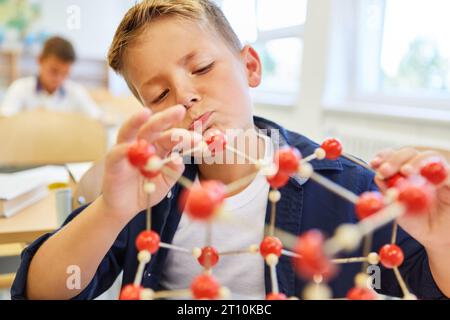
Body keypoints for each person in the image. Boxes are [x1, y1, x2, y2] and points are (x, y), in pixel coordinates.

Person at [11, 0, 450, 300]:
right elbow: (43, 290)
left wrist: (443, 240)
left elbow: (434, 282)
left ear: (251, 67)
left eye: (202, 67)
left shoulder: (339, 184)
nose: (185, 96)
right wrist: (110, 209)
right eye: (160, 94)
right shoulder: (148, 189)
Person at [0, 36, 101, 119]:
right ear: (40, 60)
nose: (58, 78)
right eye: (54, 71)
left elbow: (97, 120)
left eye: (65, 73)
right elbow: (5, 121)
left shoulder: (76, 92)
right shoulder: (20, 88)